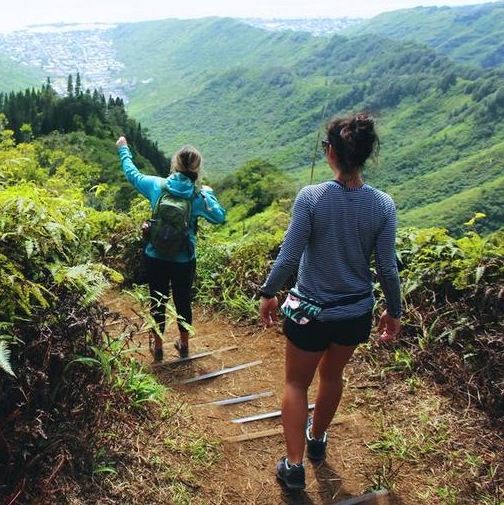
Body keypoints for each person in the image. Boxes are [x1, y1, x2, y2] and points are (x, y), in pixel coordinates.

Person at [258, 112, 402, 490]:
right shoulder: (383, 205)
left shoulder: (312, 198)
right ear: (366, 155)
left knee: (295, 383)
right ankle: (317, 441)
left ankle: (293, 467)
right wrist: (394, 311)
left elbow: (289, 257)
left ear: (332, 155)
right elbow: (387, 268)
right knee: (333, 375)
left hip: (309, 315)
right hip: (355, 313)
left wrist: (269, 292)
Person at [116, 136, 226, 362]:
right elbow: (220, 217)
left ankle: (158, 348)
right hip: (184, 259)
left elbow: (132, 174)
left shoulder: (157, 185)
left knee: (158, 299)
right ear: (197, 168)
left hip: (154, 256)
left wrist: (123, 149)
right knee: (183, 300)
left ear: (174, 164)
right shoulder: (198, 196)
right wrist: (209, 193)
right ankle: (184, 346)